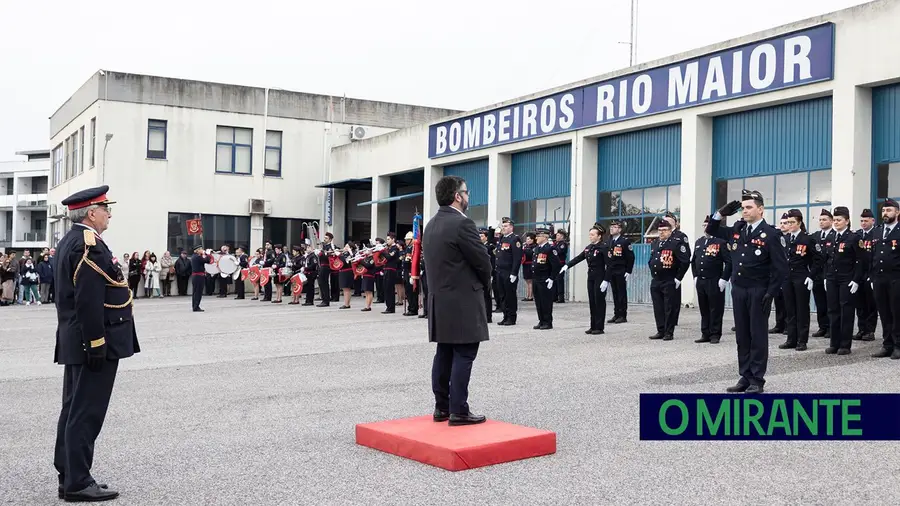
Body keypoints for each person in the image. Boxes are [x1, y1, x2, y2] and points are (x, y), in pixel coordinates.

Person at [53, 185, 139, 502]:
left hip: (77, 340)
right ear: (91, 212)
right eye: (105, 208)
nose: (109, 214)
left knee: (74, 409)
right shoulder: (88, 245)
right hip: (92, 340)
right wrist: (97, 342)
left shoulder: (72, 241)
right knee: (86, 412)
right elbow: (88, 300)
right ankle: (77, 481)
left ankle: (70, 475)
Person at [423, 175, 492, 426]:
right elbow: (483, 262)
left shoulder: (431, 224)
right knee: (464, 353)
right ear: (457, 196)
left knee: (444, 352)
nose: (468, 196)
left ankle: (441, 406)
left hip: (439, 299)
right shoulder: (462, 224)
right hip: (462, 299)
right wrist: (485, 284)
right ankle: (459, 410)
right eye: (466, 192)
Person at [707, 189, 789, 394]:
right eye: (743, 208)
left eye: (749, 207)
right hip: (739, 290)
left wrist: (771, 293)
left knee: (757, 335)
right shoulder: (738, 229)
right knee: (742, 335)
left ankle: (757, 379)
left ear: (760, 210)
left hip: (758, 290)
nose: (744, 211)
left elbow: (781, 268)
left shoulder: (771, 234)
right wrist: (719, 214)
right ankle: (745, 375)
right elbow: (713, 230)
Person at [823, 206, 865, 355]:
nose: (836, 222)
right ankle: (834, 343)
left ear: (847, 221)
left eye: (839, 220)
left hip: (847, 278)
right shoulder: (830, 237)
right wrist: (825, 277)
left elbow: (860, 261)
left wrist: (856, 280)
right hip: (832, 278)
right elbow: (826, 259)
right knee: (833, 310)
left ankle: (845, 344)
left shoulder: (854, 238)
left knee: (846, 310)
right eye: (834, 220)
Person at [778, 209, 819, 352]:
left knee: (802, 309)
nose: (789, 225)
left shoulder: (807, 239)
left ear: (799, 223)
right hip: (787, 277)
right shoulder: (785, 239)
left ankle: (802, 340)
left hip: (801, 276)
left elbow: (818, 260)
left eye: (792, 222)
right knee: (790, 309)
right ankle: (791, 339)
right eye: (788, 222)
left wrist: (811, 276)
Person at [558, 223, 609, 334]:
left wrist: (606, 280)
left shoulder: (604, 247)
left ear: (599, 236)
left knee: (599, 301)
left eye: (592, 235)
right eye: (590, 234)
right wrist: (567, 265)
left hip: (600, 277)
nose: (590, 236)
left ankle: (599, 327)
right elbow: (579, 258)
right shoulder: (589, 248)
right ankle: (593, 325)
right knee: (592, 301)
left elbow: (610, 265)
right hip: (590, 277)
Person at [691, 215, 732, 344]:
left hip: (714, 280)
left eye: (707, 226)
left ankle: (715, 334)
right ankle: (705, 333)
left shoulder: (720, 242)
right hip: (701, 280)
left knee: (715, 308)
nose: (705, 228)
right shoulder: (699, 242)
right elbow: (694, 261)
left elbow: (729, 262)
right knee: (704, 308)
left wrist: (724, 279)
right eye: (704, 226)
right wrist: (695, 276)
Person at [648, 220, 691, 341]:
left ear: (670, 231)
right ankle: (660, 330)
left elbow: (685, 261)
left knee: (669, 307)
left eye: (664, 230)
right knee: (658, 307)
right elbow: (652, 259)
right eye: (660, 230)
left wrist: (678, 277)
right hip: (656, 280)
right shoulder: (655, 243)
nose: (661, 232)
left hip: (669, 279)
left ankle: (669, 332)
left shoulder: (676, 243)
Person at [870, 198, 900, 359]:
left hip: (896, 278)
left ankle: (898, 345)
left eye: (889, 210)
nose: (885, 213)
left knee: (897, 312)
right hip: (879, 278)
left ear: (897, 212)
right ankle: (887, 344)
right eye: (883, 210)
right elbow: (872, 256)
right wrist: (871, 277)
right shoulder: (877, 230)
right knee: (884, 312)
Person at [531, 224, 563, 330]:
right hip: (536, 278)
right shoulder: (536, 249)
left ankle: (548, 322)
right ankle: (541, 320)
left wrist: (552, 278)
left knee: (546, 302)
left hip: (545, 278)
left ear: (545, 237)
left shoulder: (550, 249)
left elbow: (557, 265)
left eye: (538, 236)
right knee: (538, 301)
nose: (536, 238)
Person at [855, 208, 877, 341]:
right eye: (861, 220)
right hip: (859, 274)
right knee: (860, 303)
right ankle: (861, 329)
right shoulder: (857, 235)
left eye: (866, 220)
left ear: (872, 221)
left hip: (870, 273)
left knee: (871, 304)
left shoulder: (876, 234)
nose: (863, 223)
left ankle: (870, 331)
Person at [811, 209, 835, 338]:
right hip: (817, 274)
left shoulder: (835, 235)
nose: (821, 222)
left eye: (824, 219)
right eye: (820, 220)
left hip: (830, 274)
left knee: (830, 303)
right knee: (820, 302)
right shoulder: (814, 236)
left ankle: (832, 327)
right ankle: (823, 326)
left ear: (831, 221)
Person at [495, 218, 523, 326]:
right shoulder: (502, 239)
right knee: (502, 295)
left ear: (511, 227)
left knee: (509, 295)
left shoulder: (514, 239)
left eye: (506, 226)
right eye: (503, 226)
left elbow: (517, 258)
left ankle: (511, 317)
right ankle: (505, 316)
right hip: (500, 272)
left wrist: (514, 273)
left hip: (508, 272)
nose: (504, 228)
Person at [605, 220, 634, 324]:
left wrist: (628, 271)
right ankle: (616, 314)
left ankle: (622, 315)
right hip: (611, 270)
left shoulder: (624, 241)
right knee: (615, 293)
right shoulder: (609, 241)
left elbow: (630, 257)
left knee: (621, 293)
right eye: (611, 227)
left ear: (620, 229)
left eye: (615, 227)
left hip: (620, 270)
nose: (612, 228)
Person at [191, 246, 211, 312]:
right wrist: (207, 254)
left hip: (196, 276)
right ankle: (196, 307)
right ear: (197, 250)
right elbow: (207, 260)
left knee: (195, 292)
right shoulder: (197, 257)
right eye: (201, 249)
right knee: (198, 292)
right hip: (198, 276)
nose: (202, 250)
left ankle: (195, 306)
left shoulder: (194, 256)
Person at [553, 229, 569, 303]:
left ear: (562, 236)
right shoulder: (556, 243)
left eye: (558, 235)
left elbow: (558, 252)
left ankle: (561, 298)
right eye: (557, 235)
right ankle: (555, 296)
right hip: (555, 264)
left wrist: (553, 248)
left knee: (559, 280)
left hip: (560, 264)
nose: (556, 236)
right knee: (555, 280)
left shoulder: (563, 244)